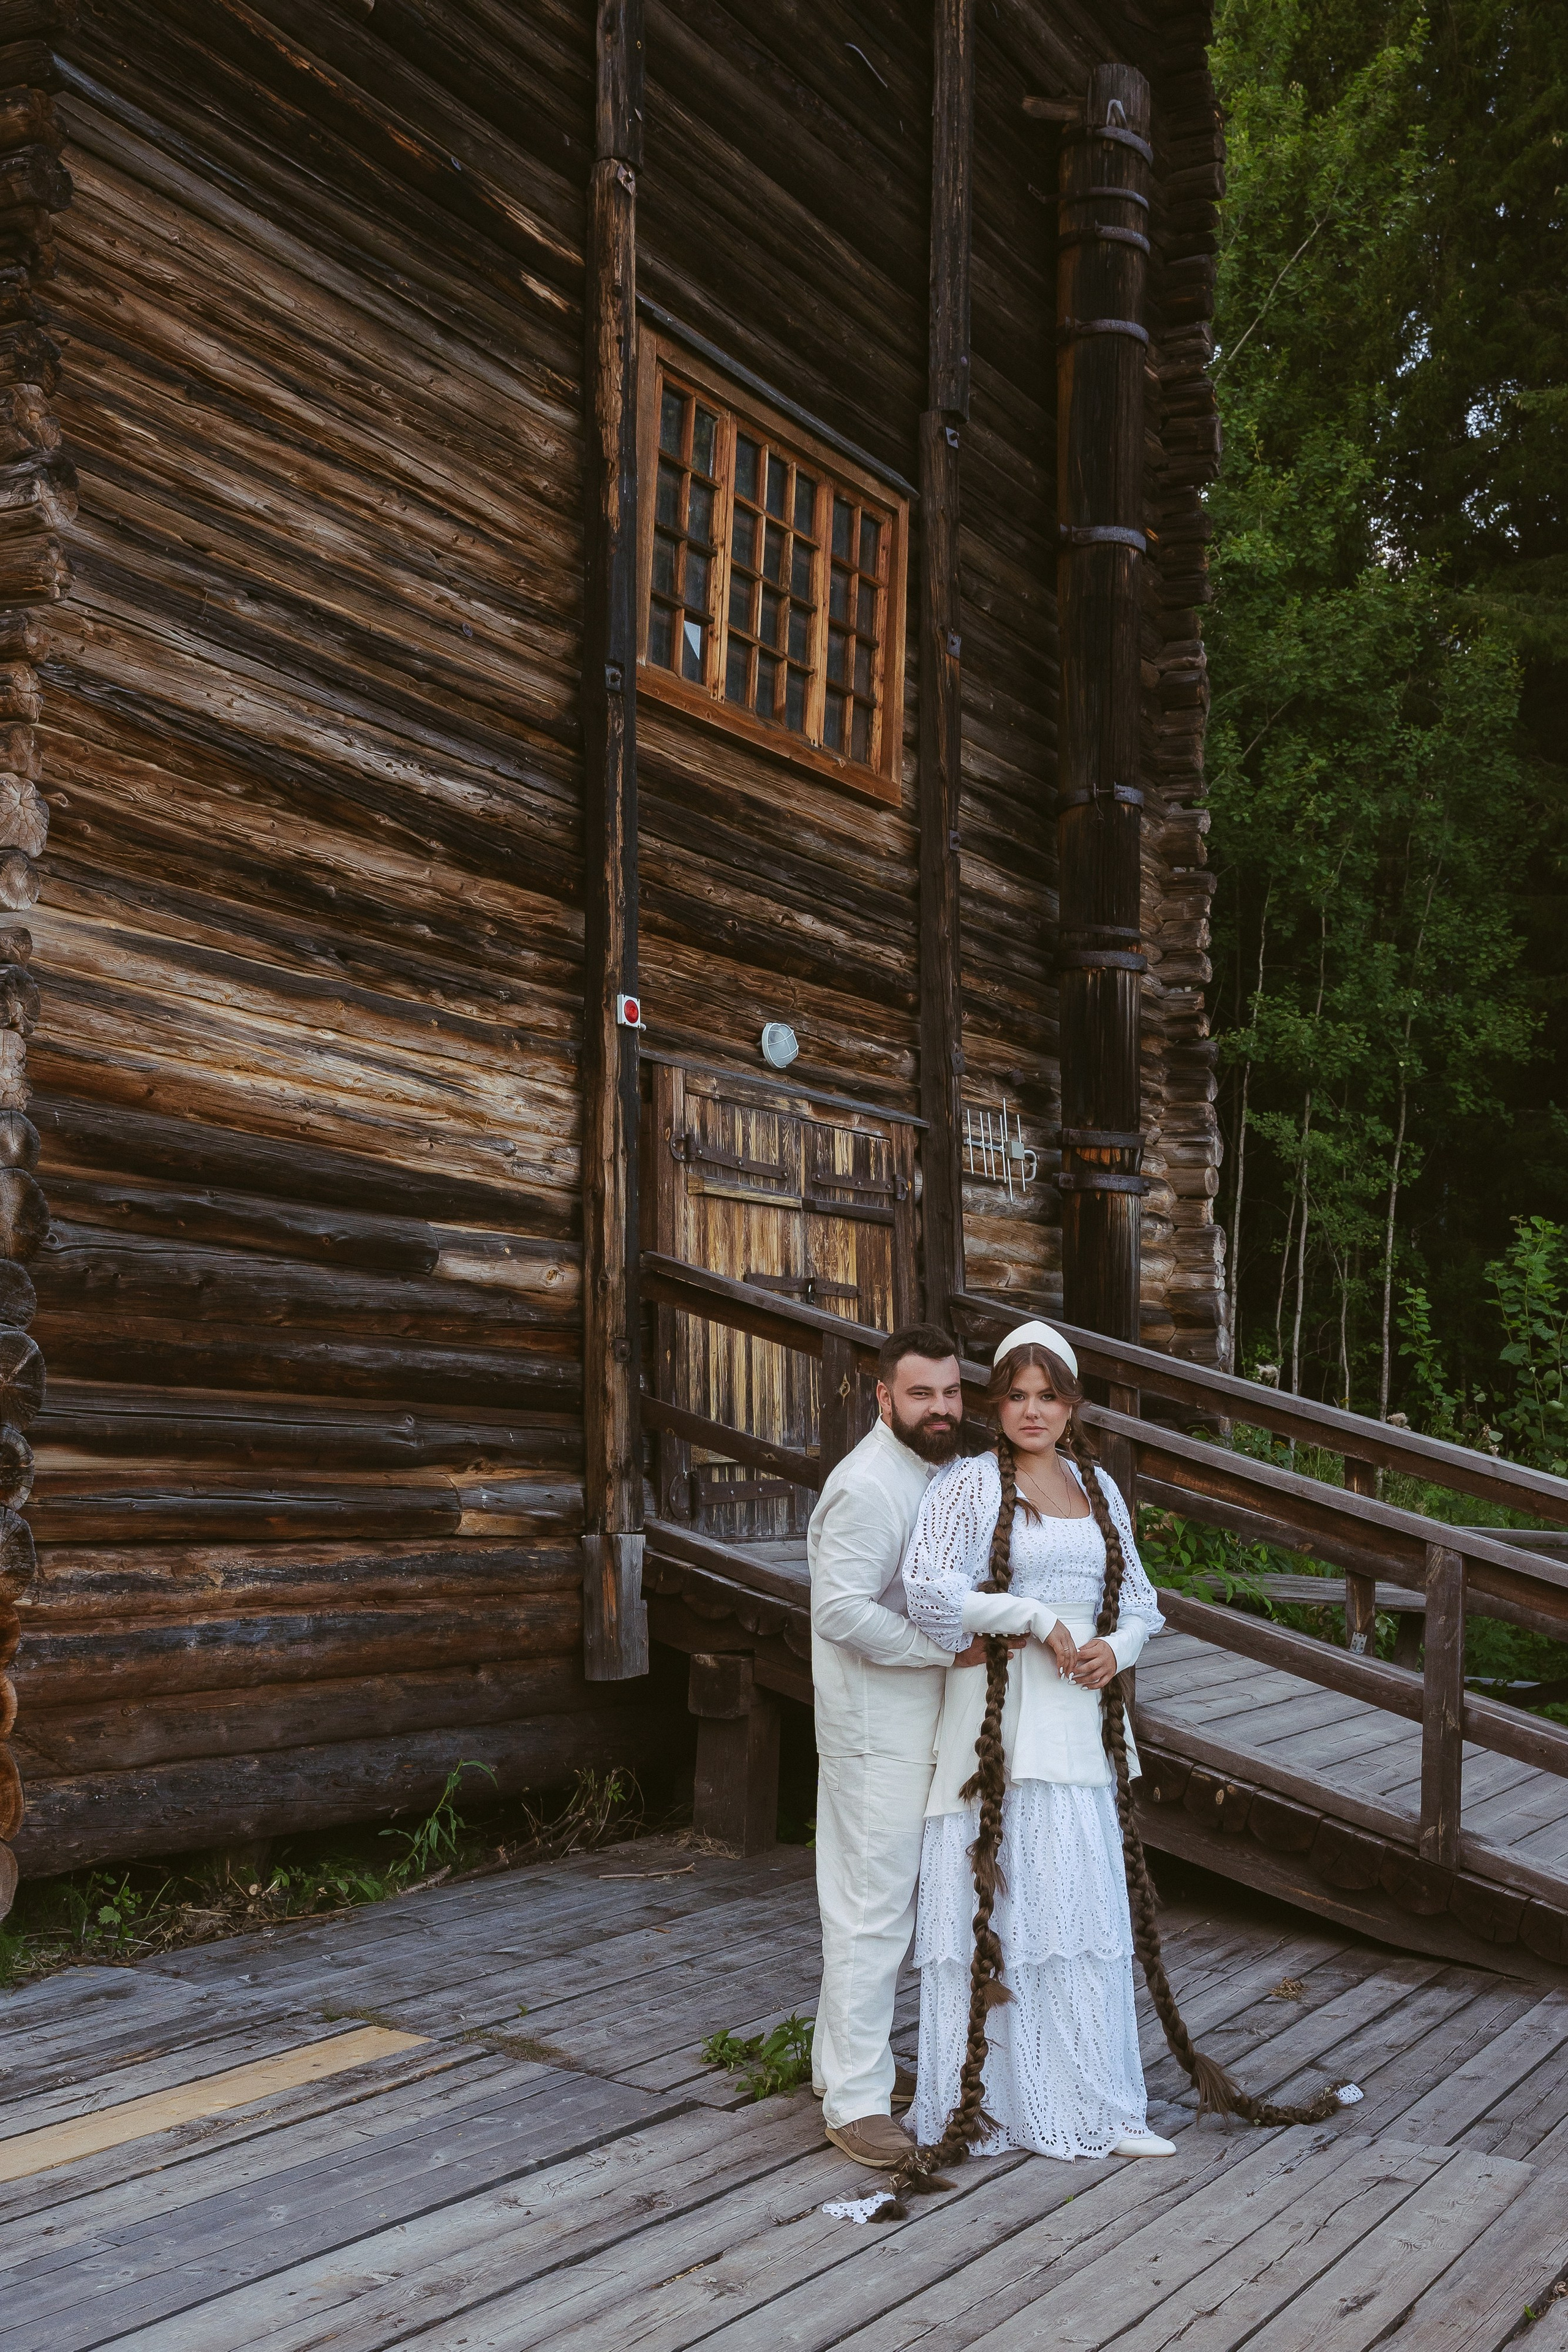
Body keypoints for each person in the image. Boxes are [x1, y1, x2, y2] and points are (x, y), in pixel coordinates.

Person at [900, 1319, 1177, 2162]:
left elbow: (1143, 1603)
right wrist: (1034, 1616)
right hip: (1000, 1726)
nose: (1031, 1411)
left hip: (1080, 1728)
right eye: (1016, 1396)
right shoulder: (970, 1487)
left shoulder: (1099, 1487)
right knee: (1005, 1914)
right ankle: (997, 2105)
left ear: (1071, 1406)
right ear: (997, 1405)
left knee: (1079, 1916)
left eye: (1047, 1396)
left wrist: (1114, 1649)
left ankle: (1098, 2104)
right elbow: (927, 1593)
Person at [806, 1321, 974, 2169]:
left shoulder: (937, 1472)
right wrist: (940, 1650)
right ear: (883, 1397)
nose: (940, 1408)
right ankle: (858, 2104)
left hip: (918, 1723)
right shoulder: (871, 1485)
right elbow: (838, 1609)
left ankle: (844, 2066)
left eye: (950, 1392)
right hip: (875, 1727)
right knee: (872, 1910)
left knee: (883, 1905)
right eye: (921, 1393)